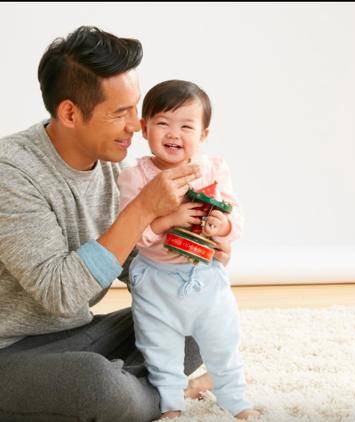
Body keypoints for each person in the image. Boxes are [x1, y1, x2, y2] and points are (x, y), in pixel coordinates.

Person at [0, 26, 231, 422]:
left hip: (74, 338)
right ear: (70, 113)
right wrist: (143, 209)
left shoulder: (110, 169)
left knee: (192, 321)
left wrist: (193, 257)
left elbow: (134, 262)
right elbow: (60, 293)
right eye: (120, 113)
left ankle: (138, 389)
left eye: (135, 109)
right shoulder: (7, 172)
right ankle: (164, 391)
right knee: (95, 384)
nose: (136, 125)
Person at [117, 80, 259, 420]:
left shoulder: (213, 169)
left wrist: (223, 226)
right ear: (144, 128)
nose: (173, 134)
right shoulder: (135, 177)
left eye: (186, 126)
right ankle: (171, 405)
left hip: (205, 277)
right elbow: (133, 236)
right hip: (156, 280)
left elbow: (236, 218)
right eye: (163, 123)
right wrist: (169, 221)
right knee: (159, 349)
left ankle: (236, 401)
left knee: (223, 342)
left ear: (203, 134)